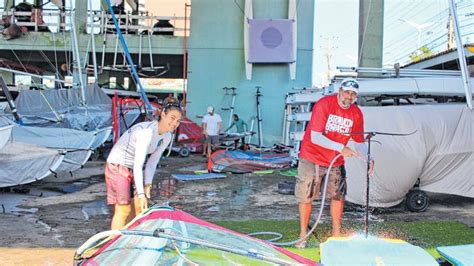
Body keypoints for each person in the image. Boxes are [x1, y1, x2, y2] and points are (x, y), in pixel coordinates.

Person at [294, 78, 374, 248]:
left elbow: (359, 141)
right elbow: (315, 136)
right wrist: (341, 148)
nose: (349, 97)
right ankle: (303, 234)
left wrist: (369, 157)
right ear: (340, 91)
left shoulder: (356, 113)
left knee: (338, 196)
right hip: (312, 157)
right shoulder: (324, 104)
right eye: (346, 92)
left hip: (335, 161)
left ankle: (336, 234)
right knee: (306, 197)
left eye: (353, 94)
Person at [105, 97, 183, 230]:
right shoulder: (146, 132)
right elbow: (138, 164)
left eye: (178, 120)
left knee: (138, 208)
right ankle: (114, 243)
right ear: (163, 114)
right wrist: (141, 194)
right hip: (118, 164)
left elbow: (152, 163)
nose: (175, 123)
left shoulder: (167, 136)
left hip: (134, 166)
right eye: (172, 117)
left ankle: (129, 239)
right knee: (123, 209)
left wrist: (147, 185)